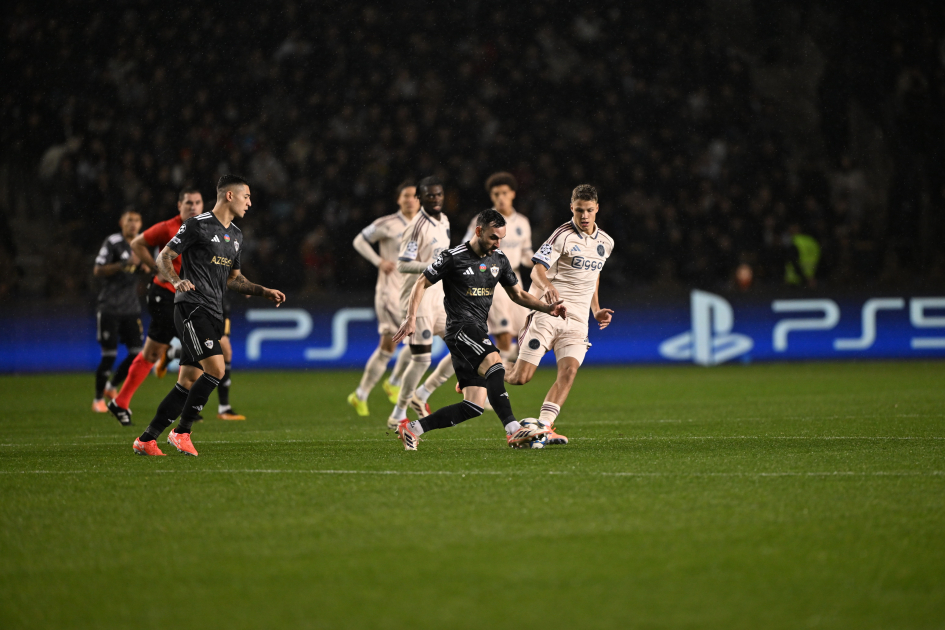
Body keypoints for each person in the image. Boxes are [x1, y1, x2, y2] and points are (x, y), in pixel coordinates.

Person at [132, 175, 285, 456]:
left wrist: (263, 291)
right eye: (246, 196)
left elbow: (234, 279)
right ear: (229, 195)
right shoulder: (197, 224)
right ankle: (182, 432)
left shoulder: (236, 235)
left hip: (214, 311)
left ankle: (147, 439)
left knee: (188, 380)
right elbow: (164, 256)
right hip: (191, 307)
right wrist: (176, 280)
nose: (250, 203)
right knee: (216, 369)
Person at [392, 208, 566, 450]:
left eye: (501, 238)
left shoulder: (499, 259)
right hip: (460, 328)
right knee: (496, 364)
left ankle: (412, 429)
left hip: (477, 330)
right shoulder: (453, 257)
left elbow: (517, 295)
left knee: (473, 406)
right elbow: (421, 282)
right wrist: (411, 318)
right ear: (478, 231)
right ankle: (514, 430)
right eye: (493, 237)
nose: (498, 243)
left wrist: (548, 308)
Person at [409, 171, 533, 412]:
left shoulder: (522, 222)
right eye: (496, 194)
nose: (500, 197)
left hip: (513, 282)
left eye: (504, 193)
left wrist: (541, 264)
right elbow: (466, 249)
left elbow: (526, 253)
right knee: (501, 339)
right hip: (488, 284)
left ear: (513, 194)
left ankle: (427, 391)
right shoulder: (482, 221)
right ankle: (489, 390)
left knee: (521, 337)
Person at [505, 184, 615, 446]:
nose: (584, 216)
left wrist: (596, 309)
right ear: (571, 208)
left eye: (589, 210)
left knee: (569, 371)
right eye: (579, 210)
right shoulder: (562, 235)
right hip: (548, 312)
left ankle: (543, 427)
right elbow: (536, 270)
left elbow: (594, 276)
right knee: (521, 378)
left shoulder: (606, 242)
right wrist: (548, 287)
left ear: (597, 209)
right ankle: (484, 369)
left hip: (577, 320)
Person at [106, 188, 203, 425]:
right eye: (188, 202)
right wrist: (156, 267)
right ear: (179, 205)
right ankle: (185, 404)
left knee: (150, 353)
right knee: (196, 345)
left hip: (186, 298)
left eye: (197, 202)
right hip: (164, 295)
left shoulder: (204, 228)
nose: (193, 206)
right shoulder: (168, 227)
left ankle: (120, 402)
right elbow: (138, 243)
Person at [347, 180, 419, 416]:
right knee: (417, 339)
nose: (410, 199)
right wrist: (378, 261)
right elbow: (359, 240)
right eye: (406, 195)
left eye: (414, 196)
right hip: (390, 293)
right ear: (398, 199)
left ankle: (360, 395)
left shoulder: (426, 225)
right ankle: (394, 382)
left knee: (389, 347)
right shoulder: (387, 223)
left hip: (412, 293)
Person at [386, 176, 452, 430]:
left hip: (439, 298)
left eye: (438, 194)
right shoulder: (416, 227)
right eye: (429, 195)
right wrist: (434, 266)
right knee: (422, 359)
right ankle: (398, 413)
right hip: (418, 298)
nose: (435, 199)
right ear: (420, 198)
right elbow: (403, 264)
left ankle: (422, 393)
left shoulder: (444, 221)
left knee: (462, 348)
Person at [92, 209, 147, 416]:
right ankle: (98, 399)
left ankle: (111, 385)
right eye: (129, 220)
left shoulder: (141, 243)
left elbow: (148, 268)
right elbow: (98, 270)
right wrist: (123, 264)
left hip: (131, 308)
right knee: (109, 355)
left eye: (137, 220)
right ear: (121, 222)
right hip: (110, 307)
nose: (133, 224)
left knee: (136, 354)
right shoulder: (113, 242)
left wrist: (146, 267)